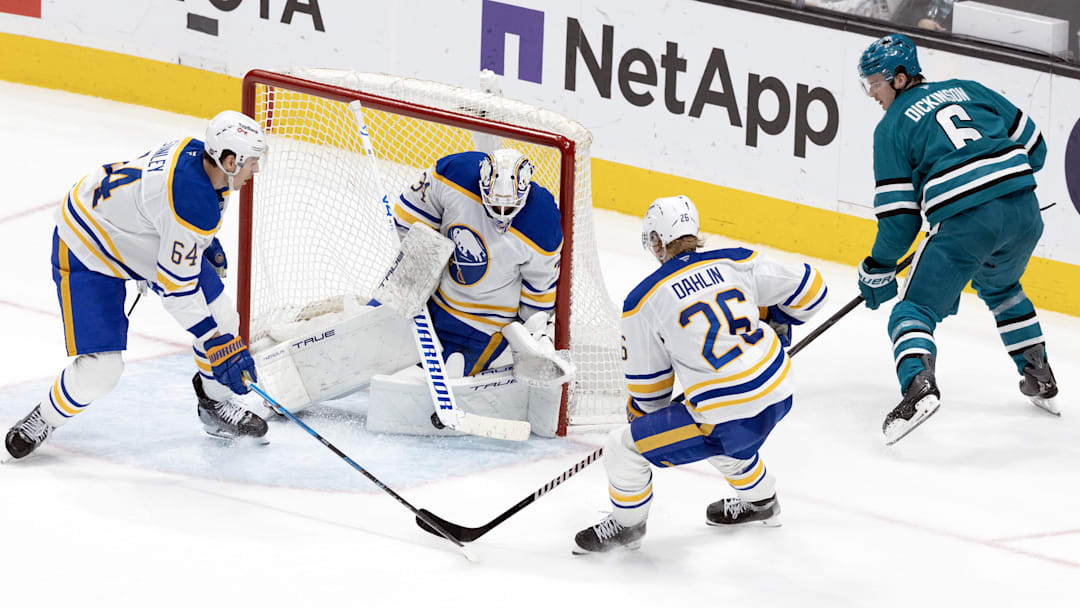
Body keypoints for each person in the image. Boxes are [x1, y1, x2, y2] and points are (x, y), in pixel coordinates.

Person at [4, 110, 271, 460]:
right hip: (86, 244)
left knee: (222, 316)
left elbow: (158, 207)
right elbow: (177, 292)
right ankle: (44, 417)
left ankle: (213, 404)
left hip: (136, 234)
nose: (256, 171)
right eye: (252, 163)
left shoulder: (199, 157)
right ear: (229, 160)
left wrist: (201, 243)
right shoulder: (192, 202)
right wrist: (213, 343)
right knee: (102, 371)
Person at [572, 195, 829, 554]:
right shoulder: (738, 260)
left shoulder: (643, 300)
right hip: (780, 389)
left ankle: (628, 528)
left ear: (657, 241)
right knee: (716, 433)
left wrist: (643, 424)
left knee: (623, 446)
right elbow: (814, 292)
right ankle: (762, 503)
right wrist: (774, 318)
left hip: (726, 412)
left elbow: (650, 398)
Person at [856, 33, 1058, 446]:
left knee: (913, 308)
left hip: (968, 223)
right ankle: (1038, 372)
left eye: (875, 82)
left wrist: (877, 267)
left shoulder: (891, 127)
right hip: (1025, 214)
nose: (872, 93)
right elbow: (1036, 149)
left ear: (899, 77)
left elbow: (899, 222)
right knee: (1002, 287)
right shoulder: (969, 88)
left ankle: (918, 387)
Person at [392, 148, 561, 378]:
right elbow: (408, 219)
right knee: (380, 349)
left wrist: (533, 335)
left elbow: (539, 292)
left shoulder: (543, 223)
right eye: (494, 205)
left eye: (509, 208)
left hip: (486, 326)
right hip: (430, 299)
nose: (501, 215)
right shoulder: (452, 174)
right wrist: (418, 280)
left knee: (447, 376)